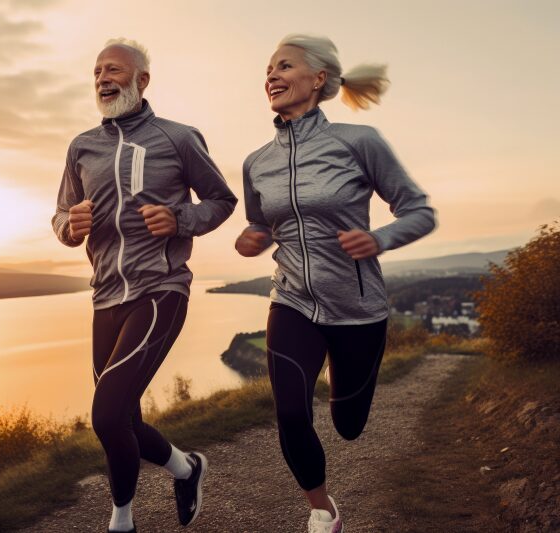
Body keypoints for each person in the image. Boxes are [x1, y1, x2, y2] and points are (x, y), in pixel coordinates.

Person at [235, 34, 436, 533]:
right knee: (289, 410)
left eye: (284, 66)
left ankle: (343, 392)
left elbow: (419, 210)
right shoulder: (257, 162)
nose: (272, 76)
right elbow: (261, 222)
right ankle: (322, 510)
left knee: (348, 425)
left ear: (318, 78)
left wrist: (380, 238)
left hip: (357, 308)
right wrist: (253, 237)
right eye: (268, 69)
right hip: (292, 299)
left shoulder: (358, 142)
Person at [52, 38, 237, 533]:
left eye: (112, 70)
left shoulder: (178, 138)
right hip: (105, 295)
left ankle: (122, 521)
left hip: (161, 289)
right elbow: (60, 218)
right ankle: (187, 468)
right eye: (95, 72)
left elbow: (221, 201)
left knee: (107, 415)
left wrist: (179, 219)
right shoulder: (81, 147)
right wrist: (72, 225)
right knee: (124, 419)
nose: (102, 79)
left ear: (141, 80)